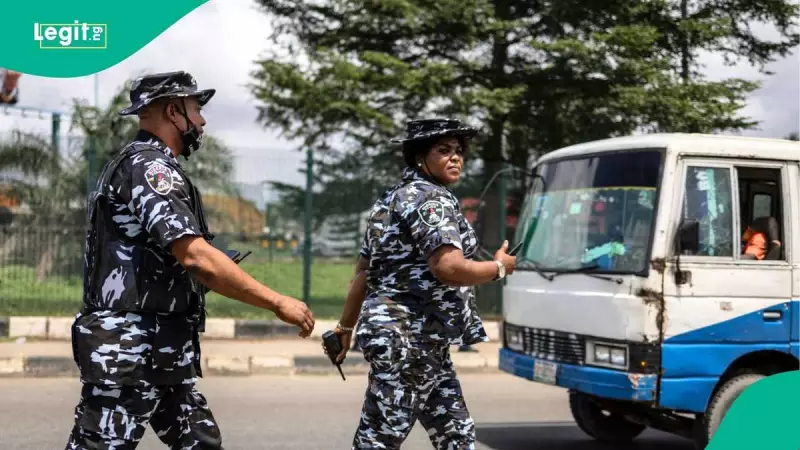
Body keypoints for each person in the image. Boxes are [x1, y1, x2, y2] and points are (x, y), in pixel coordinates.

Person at [65, 71, 315, 449]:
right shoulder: (150, 169)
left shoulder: (142, 164)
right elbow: (197, 257)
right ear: (172, 112)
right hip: (131, 351)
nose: (201, 121)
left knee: (202, 445)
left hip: (158, 350)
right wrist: (277, 302)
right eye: (196, 109)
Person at [332, 118, 517, 449]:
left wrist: (345, 329)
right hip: (410, 337)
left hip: (425, 338)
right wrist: (498, 268)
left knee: (457, 434)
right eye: (444, 150)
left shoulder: (390, 200)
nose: (456, 157)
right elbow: (449, 267)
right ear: (419, 156)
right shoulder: (431, 200)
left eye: (459, 151)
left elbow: (364, 271)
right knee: (379, 440)